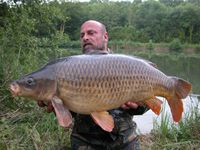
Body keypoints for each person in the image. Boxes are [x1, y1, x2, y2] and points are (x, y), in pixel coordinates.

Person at [38, 20, 149, 150]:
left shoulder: (127, 64)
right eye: (82, 35)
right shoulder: (70, 68)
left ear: (105, 37)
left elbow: (146, 107)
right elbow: (71, 114)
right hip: (85, 141)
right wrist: (58, 106)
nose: (85, 37)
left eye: (91, 33)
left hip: (124, 139)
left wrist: (138, 106)